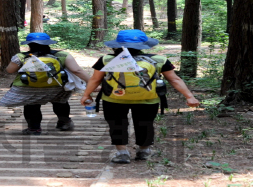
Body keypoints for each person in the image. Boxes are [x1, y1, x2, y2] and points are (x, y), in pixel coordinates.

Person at [80, 29, 200, 164]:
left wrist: (86, 95)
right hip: (148, 99)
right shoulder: (158, 60)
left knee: (117, 124)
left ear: (117, 44)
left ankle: (122, 153)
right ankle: (144, 151)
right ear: (145, 45)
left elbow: (95, 79)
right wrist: (189, 97)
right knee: (145, 124)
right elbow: (175, 80)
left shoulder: (106, 60)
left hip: (113, 98)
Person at [0, 32, 90, 135]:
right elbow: (77, 70)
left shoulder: (21, 56)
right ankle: (65, 122)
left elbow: (10, 70)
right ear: (48, 43)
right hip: (56, 86)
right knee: (60, 102)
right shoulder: (62, 55)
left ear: (29, 44)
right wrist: (91, 82)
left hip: (29, 87)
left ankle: (34, 128)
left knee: (31, 105)